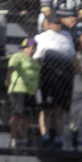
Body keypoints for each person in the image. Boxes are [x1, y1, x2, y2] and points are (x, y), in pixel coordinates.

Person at [33, 17, 75, 149]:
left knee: (59, 109)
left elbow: (73, 55)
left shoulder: (67, 36)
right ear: (49, 24)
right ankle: (45, 136)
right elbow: (36, 57)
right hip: (48, 73)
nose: (59, 26)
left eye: (60, 23)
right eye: (56, 23)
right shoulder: (42, 37)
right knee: (46, 108)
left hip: (65, 75)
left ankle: (59, 138)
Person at [6, 38, 39, 148]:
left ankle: (24, 139)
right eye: (27, 48)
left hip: (31, 92)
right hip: (18, 89)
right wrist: (8, 79)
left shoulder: (36, 62)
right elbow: (11, 67)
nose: (29, 50)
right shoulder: (18, 56)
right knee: (17, 114)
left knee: (25, 116)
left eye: (31, 48)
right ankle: (14, 138)